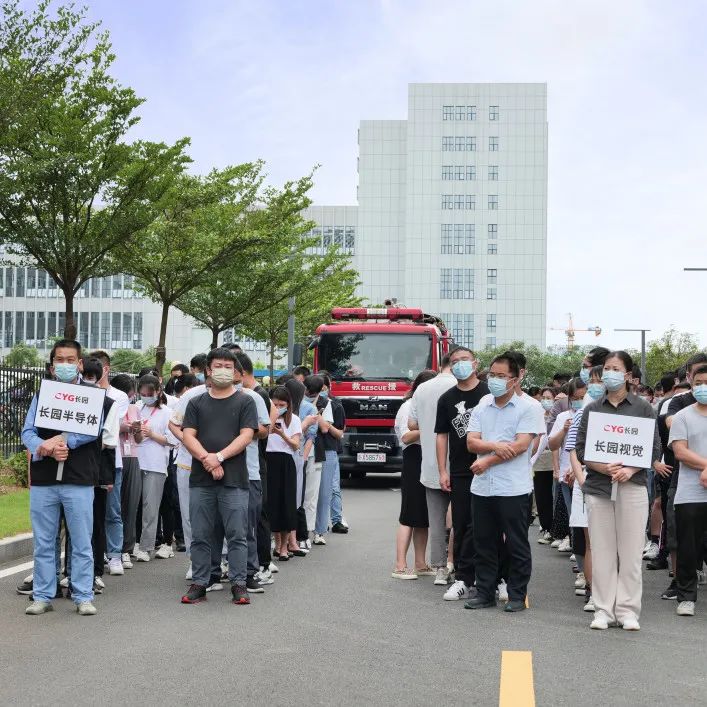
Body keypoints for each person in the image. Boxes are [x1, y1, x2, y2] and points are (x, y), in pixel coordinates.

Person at [22, 339, 119, 616]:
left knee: (81, 540)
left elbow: (93, 430)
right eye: (59, 360)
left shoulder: (92, 396)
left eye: (70, 360)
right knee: (44, 541)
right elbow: (27, 432)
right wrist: (44, 446)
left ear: (79, 364)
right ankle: (43, 595)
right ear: (52, 365)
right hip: (45, 479)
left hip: (78, 479)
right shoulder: (42, 395)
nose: (64, 364)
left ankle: (83, 595)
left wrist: (65, 443)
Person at [575, 351, 662, 631]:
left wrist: (631, 469)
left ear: (627, 375)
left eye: (616, 368)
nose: (609, 373)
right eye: (607, 368)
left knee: (631, 552)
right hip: (599, 487)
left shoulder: (643, 408)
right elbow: (581, 449)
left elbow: (654, 448)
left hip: (632, 485)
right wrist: (602, 467)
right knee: (602, 551)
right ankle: (603, 610)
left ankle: (627, 611)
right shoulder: (592, 409)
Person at [180, 348, 258, 606]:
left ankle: (238, 583)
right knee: (201, 534)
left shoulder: (245, 401)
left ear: (235, 372)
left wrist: (220, 457)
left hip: (234, 480)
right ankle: (200, 582)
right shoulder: (196, 403)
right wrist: (208, 459)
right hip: (201, 480)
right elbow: (188, 435)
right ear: (208, 370)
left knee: (237, 534)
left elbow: (246, 435)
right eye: (218, 366)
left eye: (228, 366)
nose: (223, 370)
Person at [464, 352, 539, 612]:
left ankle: (517, 594)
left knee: (516, 544)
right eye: (492, 375)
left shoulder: (529, 407)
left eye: (501, 376)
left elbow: (520, 446)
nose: (494, 380)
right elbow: (471, 442)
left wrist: (487, 461)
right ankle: (485, 592)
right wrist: (496, 446)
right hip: (483, 487)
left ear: (516, 379)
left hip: (513, 487)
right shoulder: (483, 404)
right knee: (484, 542)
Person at [435, 347, 489, 601]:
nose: (459, 365)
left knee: (490, 525)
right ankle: (463, 578)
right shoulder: (446, 399)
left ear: (475, 363)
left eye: (464, 360)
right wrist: (442, 470)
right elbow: (441, 436)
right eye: (454, 361)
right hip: (460, 471)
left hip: (490, 467)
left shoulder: (489, 394)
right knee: (462, 524)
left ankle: (495, 578)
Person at [408, 354, 456, 585]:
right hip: (462, 465)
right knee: (462, 519)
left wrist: (428, 424)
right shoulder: (463, 387)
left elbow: (411, 424)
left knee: (436, 521)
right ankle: (457, 564)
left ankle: (440, 569)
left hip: (430, 463)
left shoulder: (422, 388)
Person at [668, 363, 707, 617]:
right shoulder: (683, 416)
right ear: (691, 383)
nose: (703, 388)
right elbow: (680, 452)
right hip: (690, 493)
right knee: (688, 547)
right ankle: (686, 596)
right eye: (699, 383)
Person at [392, 369, 437, 579]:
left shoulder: (429, 406)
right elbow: (406, 437)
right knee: (409, 514)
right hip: (414, 459)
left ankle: (420, 563)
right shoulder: (408, 406)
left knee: (423, 516)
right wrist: (429, 426)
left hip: (429, 459)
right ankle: (400, 565)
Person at [90, 350, 130, 577]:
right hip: (85, 463)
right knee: (89, 513)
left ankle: (115, 554)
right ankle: (95, 555)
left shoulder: (118, 396)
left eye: (95, 369)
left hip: (110, 462)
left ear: (106, 369)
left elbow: (113, 428)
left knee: (112, 511)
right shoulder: (81, 393)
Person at [133, 375, 173, 562]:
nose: (146, 397)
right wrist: (136, 431)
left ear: (158, 391)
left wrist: (151, 434)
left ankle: (146, 546)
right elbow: (133, 437)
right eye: (143, 394)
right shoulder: (136, 408)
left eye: (150, 394)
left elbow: (172, 441)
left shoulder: (167, 412)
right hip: (136, 460)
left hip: (156, 463)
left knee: (150, 507)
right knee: (134, 505)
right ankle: (133, 542)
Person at [109, 373, 142, 571]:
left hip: (132, 458)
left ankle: (126, 549)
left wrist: (136, 430)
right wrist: (123, 427)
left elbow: (139, 439)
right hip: (115, 457)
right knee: (114, 507)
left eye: (132, 395)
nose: (131, 398)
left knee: (131, 505)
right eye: (128, 394)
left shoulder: (135, 409)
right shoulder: (110, 406)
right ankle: (110, 549)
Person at [266, 386, 303, 560]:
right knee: (272, 503)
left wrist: (282, 434)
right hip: (268, 460)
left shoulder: (294, 419)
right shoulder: (265, 418)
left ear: (288, 404)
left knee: (287, 503)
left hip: (286, 462)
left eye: (282, 405)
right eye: (275, 404)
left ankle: (284, 547)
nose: (278, 407)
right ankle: (277, 543)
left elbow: (295, 445)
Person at [314, 373, 346, 544]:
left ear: (327, 387)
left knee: (330, 489)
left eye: (322, 388)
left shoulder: (335, 405)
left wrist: (323, 422)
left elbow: (339, 433)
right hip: (311, 451)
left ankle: (332, 522)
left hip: (329, 450)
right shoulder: (305, 404)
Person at [533, 388, 556, 543]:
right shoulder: (537, 415)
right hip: (538, 461)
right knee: (541, 496)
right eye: (544, 397)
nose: (546, 400)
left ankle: (555, 529)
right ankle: (546, 527)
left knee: (553, 496)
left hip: (552, 461)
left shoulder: (557, 417)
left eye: (549, 398)